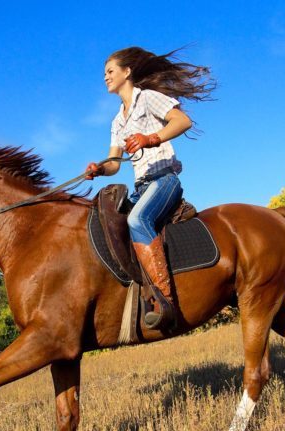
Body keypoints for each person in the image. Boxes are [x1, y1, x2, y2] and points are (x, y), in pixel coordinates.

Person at [85, 46, 215, 330]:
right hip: (140, 188)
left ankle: (163, 300)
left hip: (164, 180)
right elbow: (114, 163)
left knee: (136, 219)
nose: (105, 77)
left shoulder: (148, 99)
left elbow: (182, 121)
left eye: (110, 71)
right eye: (104, 73)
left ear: (127, 72)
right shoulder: (117, 121)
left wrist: (151, 138)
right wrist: (98, 169)